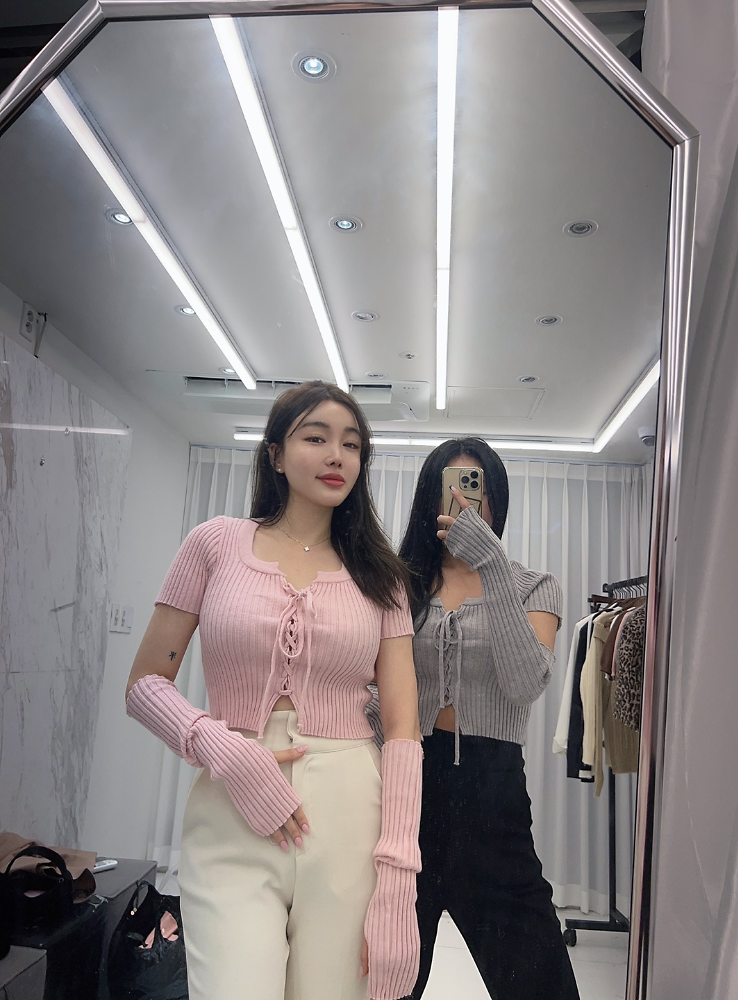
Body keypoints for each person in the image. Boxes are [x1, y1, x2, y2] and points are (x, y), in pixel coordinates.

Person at [125, 381, 423, 1000]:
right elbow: (144, 684)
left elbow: (402, 728)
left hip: (348, 815)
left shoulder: (383, 577)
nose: (337, 455)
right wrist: (224, 748)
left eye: (352, 444)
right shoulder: (214, 544)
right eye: (316, 438)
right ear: (276, 455)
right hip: (230, 808)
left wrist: (398, 879)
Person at [371, 437, 579, 1000]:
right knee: (386, 980)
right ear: (430, 498)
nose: (467, 502)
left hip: (494, 797)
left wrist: (490, 564)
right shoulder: (397, 584)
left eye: (478, 488)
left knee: (540, 982)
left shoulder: (533, 585)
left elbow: (526, 683)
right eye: (454, 487)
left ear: (497, 499)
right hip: (405, 790)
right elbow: (367, 683)